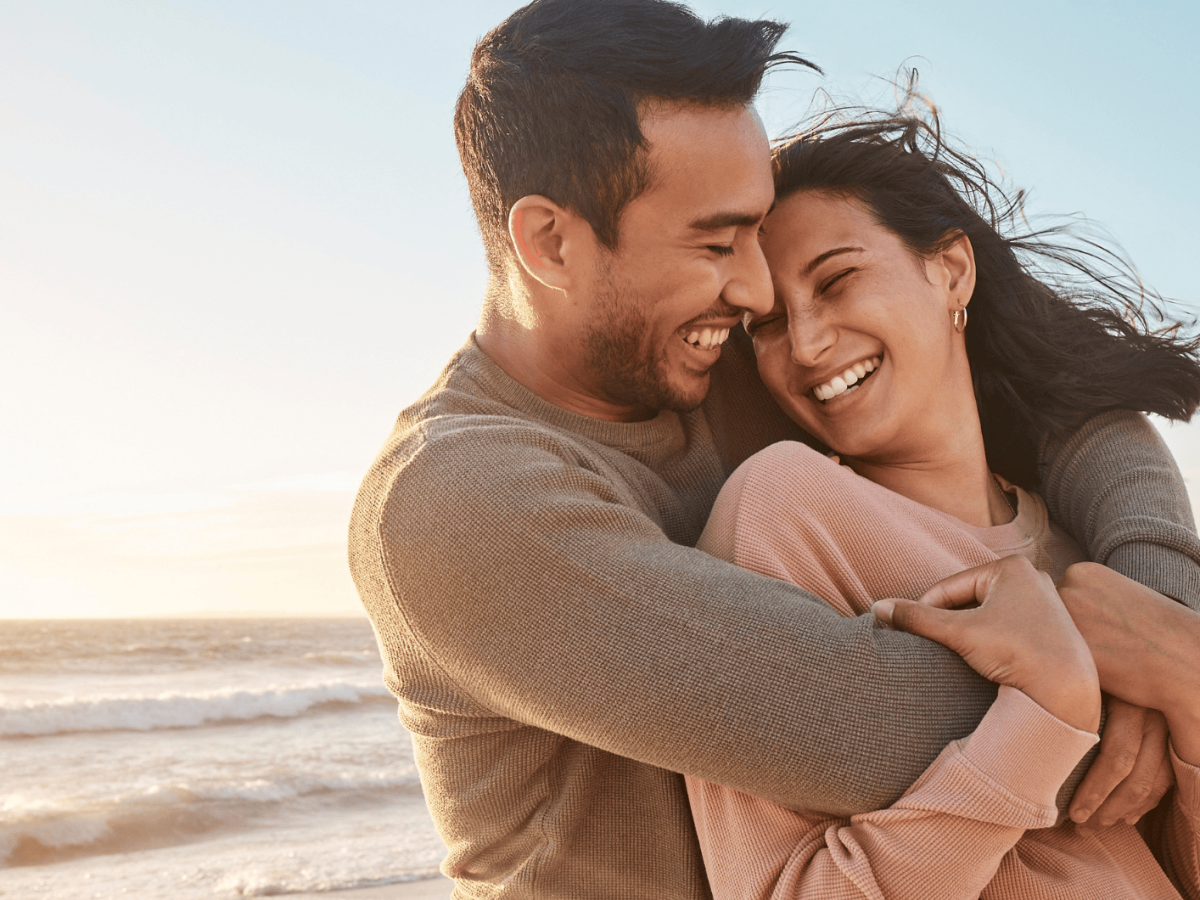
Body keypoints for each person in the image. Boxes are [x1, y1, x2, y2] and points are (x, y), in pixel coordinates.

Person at [347, 1, 1200, 895]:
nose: (758, 292)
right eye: (717, 243)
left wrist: (1153, 607)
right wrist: (1157, 688)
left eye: (755, 230)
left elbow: (1062, 398)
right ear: (550, 243)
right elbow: (861, 719)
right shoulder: (455, 503)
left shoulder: (721, 349)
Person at [685, 102, 1200, 898]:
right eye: (772, 324)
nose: (809, 343)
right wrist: (1041, 716)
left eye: (837, 280)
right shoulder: (785, 513)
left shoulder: (1091, 550)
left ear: (951, 271)